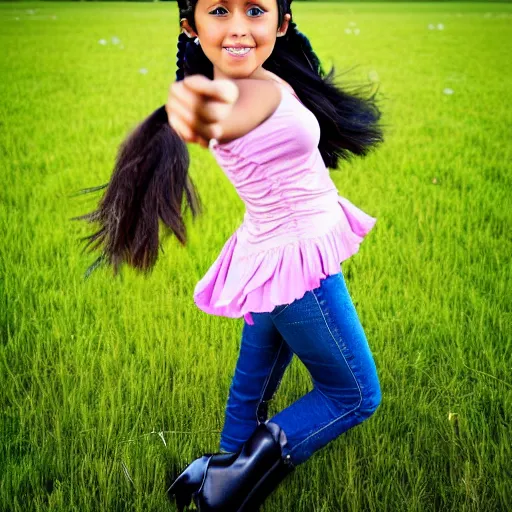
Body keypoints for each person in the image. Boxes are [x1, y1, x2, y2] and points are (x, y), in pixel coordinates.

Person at [74, 0, 386, 509]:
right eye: (219, 10)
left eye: (255, 11)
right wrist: (195, 109)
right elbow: (223, 113)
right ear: (190, 27)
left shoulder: (266, 78)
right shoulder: (235, 99)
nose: (239, 27)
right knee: (353, 395)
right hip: (297, 266)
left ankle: (217, 467)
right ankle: (229, 485)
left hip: (271, 254)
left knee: (252, 390)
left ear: (281, 23)